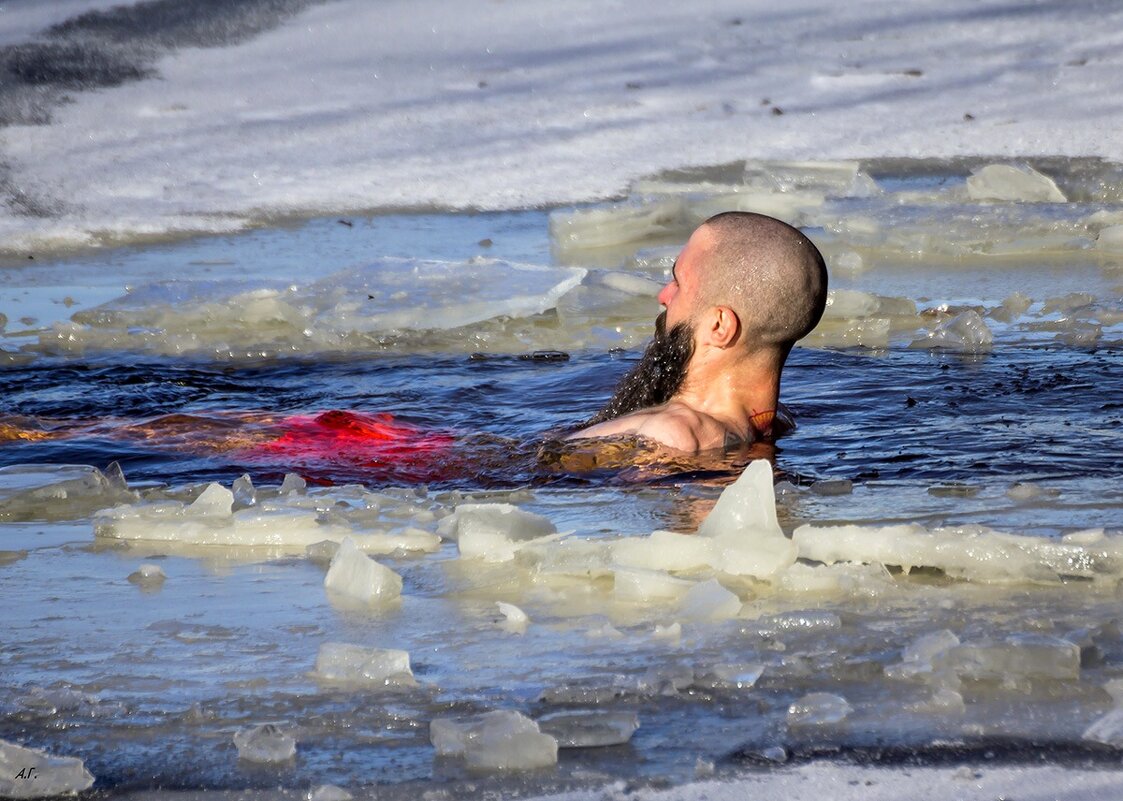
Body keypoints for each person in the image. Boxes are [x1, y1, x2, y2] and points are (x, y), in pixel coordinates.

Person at [567, 211, 827, 453]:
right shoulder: (780, 423)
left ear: (719, 326)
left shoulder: (673, 434)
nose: (664, 295)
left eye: (678, 282)